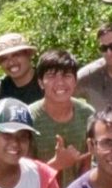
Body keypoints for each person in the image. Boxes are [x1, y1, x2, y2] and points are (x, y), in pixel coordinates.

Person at [28, 50, 95, 179]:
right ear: (41, 82)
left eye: (66, 75)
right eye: (51, 76)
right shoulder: (28, 118)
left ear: (75, 81)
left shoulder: (87, 115)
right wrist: (56, 165)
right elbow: (23, 176)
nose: (60, 82)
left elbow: (87, 165)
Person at [0, 32, 44, 109]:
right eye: (4, 59)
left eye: (16, 55)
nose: (11, 62)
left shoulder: (47, 81)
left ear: (28, 55)